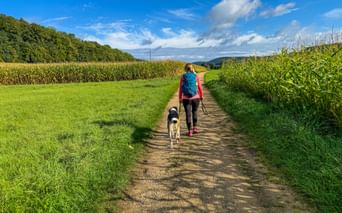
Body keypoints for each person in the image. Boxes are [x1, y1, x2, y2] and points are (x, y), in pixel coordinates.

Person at [179, 63, 203, 137]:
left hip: (186, 98)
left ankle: (189, 131)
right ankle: (195, 128)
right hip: (196, 97)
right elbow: (199, 87)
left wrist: (180, 98)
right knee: (194, 112)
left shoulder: (183, 76)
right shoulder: (196, 76)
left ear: (185, 69)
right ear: (192, 68)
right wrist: (201, 96)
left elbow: (180, 88)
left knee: (188, 114)